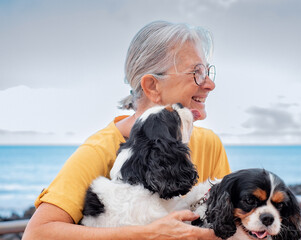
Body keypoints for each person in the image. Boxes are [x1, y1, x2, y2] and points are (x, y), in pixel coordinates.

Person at [23, 20, 231, 240]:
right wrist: (148, 234)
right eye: (197, 73)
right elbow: (36, 234)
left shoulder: (209, 143)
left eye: (208, 71)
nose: (210, 84)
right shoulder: (99, 150)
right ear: (152, 86)